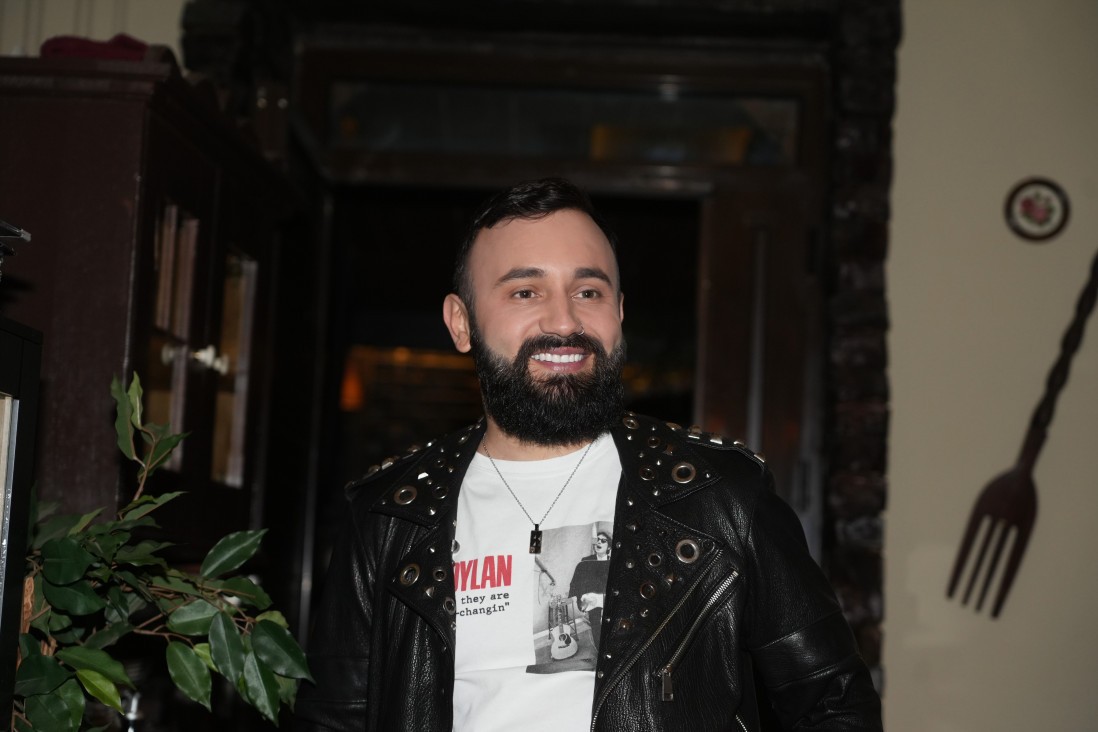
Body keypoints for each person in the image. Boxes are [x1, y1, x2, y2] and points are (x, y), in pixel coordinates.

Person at [295, 178, 882, 731]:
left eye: (588, 291)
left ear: (618, 313)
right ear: (461, 322)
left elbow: (833, 706)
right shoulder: (389, 517)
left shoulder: (721, 497)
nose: (564, 320)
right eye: (526, 291)